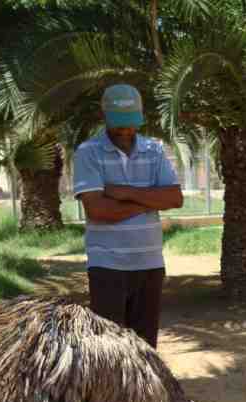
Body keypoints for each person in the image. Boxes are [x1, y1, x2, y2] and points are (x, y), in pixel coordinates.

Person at [72, 84, 183, 349]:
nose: (125, 130)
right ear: (105, 116)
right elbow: (98, 211)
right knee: (109, 349)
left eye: (131, 123)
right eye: (119, 124)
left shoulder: (154, 150)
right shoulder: (88, 153)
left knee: (145, 348)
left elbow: (174, 198)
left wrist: (123, 192)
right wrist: (148, 200)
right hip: (107, 265)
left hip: (150, 263)